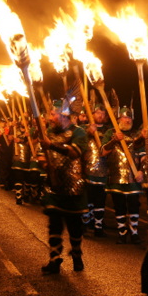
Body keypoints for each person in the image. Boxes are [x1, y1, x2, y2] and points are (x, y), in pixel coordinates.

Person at [38, 99, 89, 274]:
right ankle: (54, 259)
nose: (50, 118)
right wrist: (45, 164)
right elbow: (41, 156)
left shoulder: (79, 133)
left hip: (74, 188)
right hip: (54, 187)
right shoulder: (49, 133)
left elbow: (74, 153)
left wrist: (51, 146)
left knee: (75, 225)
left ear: (63, 115)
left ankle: (76, 253)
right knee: (54, 225)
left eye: (53, 114)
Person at [102, 106, 146, 244]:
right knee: (119, 205)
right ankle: (122, 232)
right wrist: (114, 140)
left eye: (129, 118)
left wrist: (142, 171)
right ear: (118, 119)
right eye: (124, 117)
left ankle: (134, 232)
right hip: (116, 175)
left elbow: (144, 155)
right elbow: (103, 152)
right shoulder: (110, 133)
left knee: (134, 205)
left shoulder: (136, 135)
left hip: (133, 177)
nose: (127, 120)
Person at [81, 104, 110, 237]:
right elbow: (80, 144)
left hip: (104, 170)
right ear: (92, 114)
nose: (100, 115)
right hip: (88, 169)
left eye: (103, 113)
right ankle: (86, 224)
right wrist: (88, 132)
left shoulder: (108, 130)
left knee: (100, 200)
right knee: (88, 198)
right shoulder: (83, 129)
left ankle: (98, 226)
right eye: (97, 112)